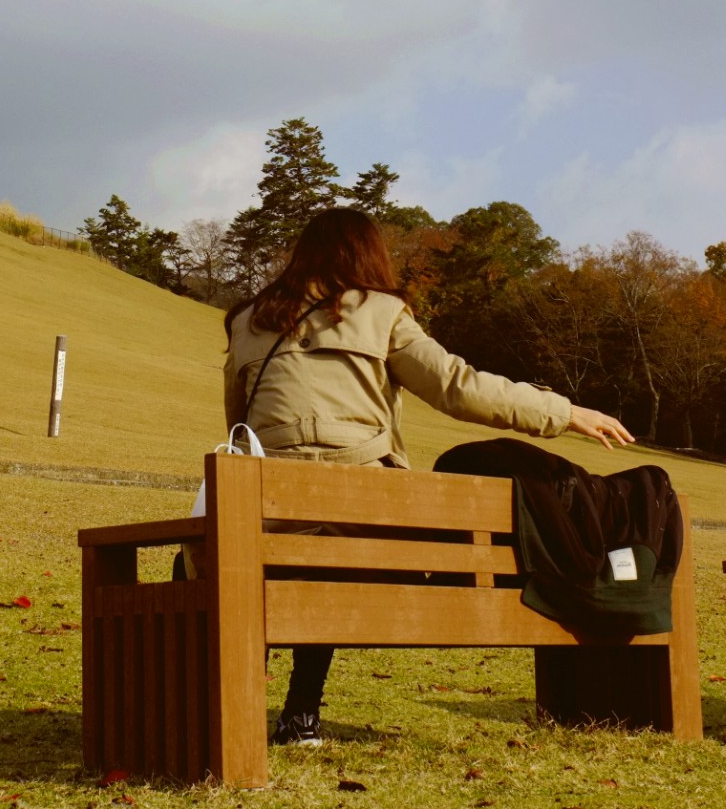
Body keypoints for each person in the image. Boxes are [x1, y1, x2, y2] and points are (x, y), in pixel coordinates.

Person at [222, 207, 634, 746]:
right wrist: (563, 412)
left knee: (276, 558)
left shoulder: (248, 319)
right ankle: (300, 712)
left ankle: (247, 704)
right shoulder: (382, 311)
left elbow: (236, 428)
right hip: (367, 525)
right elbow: (458, 388)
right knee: (334, 550)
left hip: (263, 516)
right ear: (368, 254)